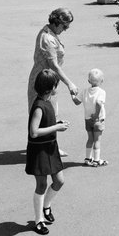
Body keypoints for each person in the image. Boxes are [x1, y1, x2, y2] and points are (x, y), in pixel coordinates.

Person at [28, 8, 78, 156]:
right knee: (43, 114)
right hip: (42, 81)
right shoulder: (48, 38)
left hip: (49, 80)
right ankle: (45, 147)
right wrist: (70, 84)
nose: (66, 29)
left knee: (50, 114)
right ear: (57, 23)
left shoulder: (50, 33)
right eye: (65, 26)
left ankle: (50, 145)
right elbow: (54, 65)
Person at [25, 69, 68, 235]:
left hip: (51, 148)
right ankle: (38, 221)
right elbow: (34, 132)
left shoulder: (48, 101)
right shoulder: (38, 107)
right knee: (41, 185)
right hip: (39, 151)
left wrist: (57, 122)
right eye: (56, 84)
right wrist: (56, 127)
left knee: (59, 181)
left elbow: (46, 124)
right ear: (50, 88)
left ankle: (46, 206)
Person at [73, 68, 108, 167]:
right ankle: (96, 160)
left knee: (90, 139)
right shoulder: (101, 92)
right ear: (102, 81)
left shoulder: (84, 91)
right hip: (98, 120)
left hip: (87, 119)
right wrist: (96, 115)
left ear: (89, 81)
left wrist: (72, 95)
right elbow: (98, 103)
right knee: (97, 140)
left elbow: (76, 102)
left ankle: (88, 158)